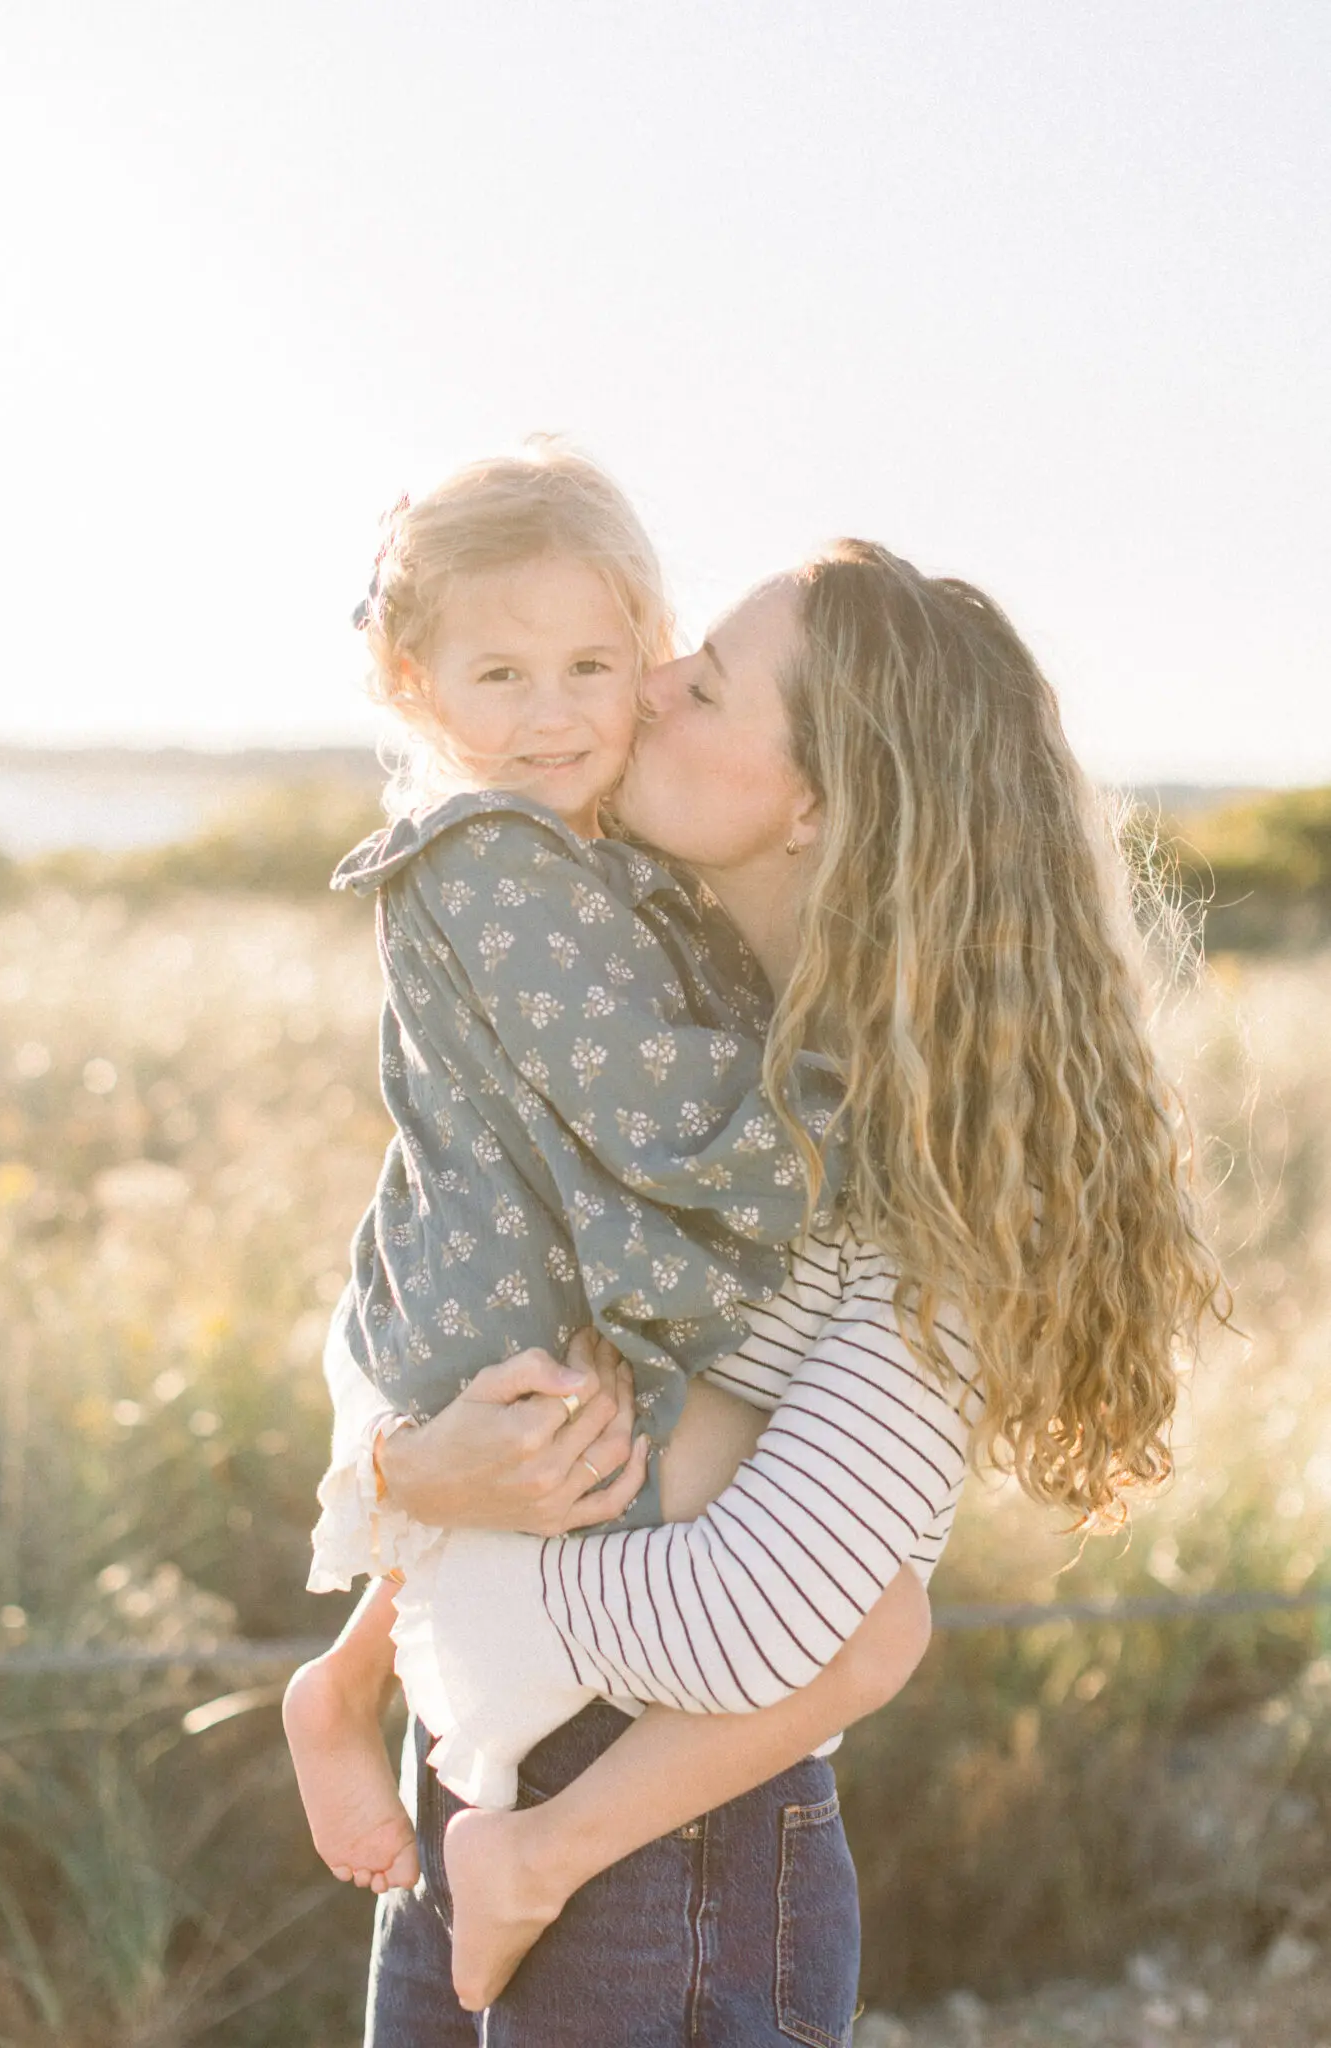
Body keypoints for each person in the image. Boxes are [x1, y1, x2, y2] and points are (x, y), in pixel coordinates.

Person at [359, 541, 1228, 2043]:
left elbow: (765, 1620)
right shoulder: (665, 1030)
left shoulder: (935, 1175)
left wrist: (459, 1574)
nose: (644, 686)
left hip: (661, 1871)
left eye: (702, 685)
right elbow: (466, 1335)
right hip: (482, 1789)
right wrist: (404, 1473)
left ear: (817, 799)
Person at [282, 451, 933, 1951]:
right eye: (498, 673)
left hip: (508, 1279)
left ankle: (362, 1690)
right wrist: (853, 1105)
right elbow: (650, 1107)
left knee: (860, 1606)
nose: (556, 713)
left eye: (596, 666)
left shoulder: (589, 847)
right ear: (413, 681)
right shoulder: (499, 856)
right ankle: (482, 1792)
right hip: (502, 1306)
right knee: (867, 1619)